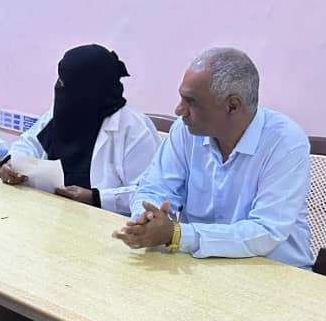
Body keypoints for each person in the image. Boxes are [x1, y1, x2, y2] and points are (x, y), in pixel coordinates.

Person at [114, 47, 313, 267]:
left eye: (191, 102)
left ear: (232, 105)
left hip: (274, 272)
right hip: (198, 264)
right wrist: (146, 218)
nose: (179, 110)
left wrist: (177, 234)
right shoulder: (184, 130)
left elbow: (266, 231)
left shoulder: (285, 143)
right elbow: (154, 188)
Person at [0, 44, 159, 215]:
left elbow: (150, 193)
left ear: (93, 88)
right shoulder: (62, 112)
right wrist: (12, 164)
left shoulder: (134, 129)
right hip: (50, 211)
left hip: (104, 223)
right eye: (60, 80)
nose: (59, 87)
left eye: (67, 83)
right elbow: (29, 143)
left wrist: (95, 198)